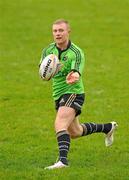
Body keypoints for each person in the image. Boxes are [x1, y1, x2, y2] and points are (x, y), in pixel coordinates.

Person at [39, 19, 118, 170]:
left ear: (68, 32)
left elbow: (77, 71)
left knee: (59, 124)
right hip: (58, 94)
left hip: (73, 92)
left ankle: (62, 162)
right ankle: (108, 127)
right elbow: (43, 72)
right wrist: (46, 72)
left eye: (61, 30)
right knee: (75, 132)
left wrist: (74, 75)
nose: (57, 34)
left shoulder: (76, 52)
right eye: (55, 31)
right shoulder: (48, 51)